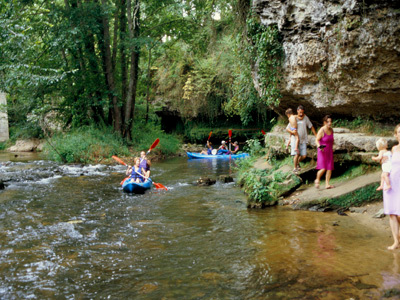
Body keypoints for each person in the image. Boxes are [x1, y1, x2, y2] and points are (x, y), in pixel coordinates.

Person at [383, 124, 400, 250]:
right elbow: (387, 166)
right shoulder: (393, 149)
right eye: (399, 132)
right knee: (392, 213)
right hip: (391, 184)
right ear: (395, 134)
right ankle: (396, 242)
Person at [286, 105, 317, 172]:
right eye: (300, 112)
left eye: (302, 112)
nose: (301, 114)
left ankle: (297, 163)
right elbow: (287, 128)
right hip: (295, 139)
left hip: (303, 140)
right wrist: (292, 134)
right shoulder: (294, 118)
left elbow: (311, 126)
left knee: (304, 156)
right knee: (297, 154)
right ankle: (295, 168)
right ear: (297, 111)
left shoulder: (305, 118)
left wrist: (316, 135)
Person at [314, 115, 334, 189]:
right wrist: (319, 146)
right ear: (325, 122)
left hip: (329, 151)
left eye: (330, 121)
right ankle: (317, 179)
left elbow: (332, 140)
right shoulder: (322, 130)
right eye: (328, 122)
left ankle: (327, 184)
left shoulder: (331, 130)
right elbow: (316, 140)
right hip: (322, 150)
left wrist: (333, 147)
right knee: (323, 168)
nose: (329, 123)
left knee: (329, 167)